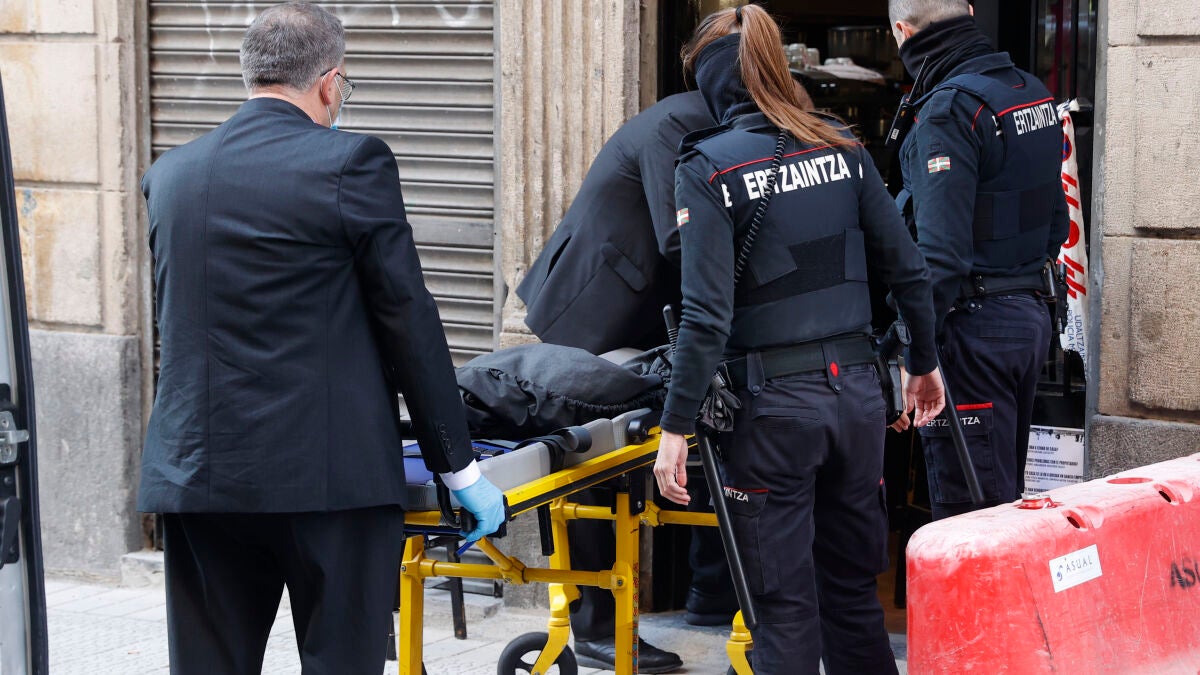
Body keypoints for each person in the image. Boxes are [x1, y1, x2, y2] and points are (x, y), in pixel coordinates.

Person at [138, 4, 505, 673]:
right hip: (331, 482)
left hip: (200, 475)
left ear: (250, 74)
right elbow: (407, 319)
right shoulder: (351, 161)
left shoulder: (170, 174)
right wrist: (459, 467)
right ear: (331, 84)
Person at [651, 6, 945, 675]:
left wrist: (675, 427)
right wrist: (922, 362)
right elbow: (909, 270)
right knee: (852, 597)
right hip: (858, 403)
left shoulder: (707, 165)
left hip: (774, 413)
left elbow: (705, 315)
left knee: (783, 610)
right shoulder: (841, 146)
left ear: (714, 81)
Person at [516, 91, 722, 674]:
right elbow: (678, 235)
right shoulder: (677, 124)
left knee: (634, 461)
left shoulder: (702, 123)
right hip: (589, 311)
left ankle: (706, 595)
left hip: (628, 312)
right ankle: (596, 630)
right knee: (590, 470)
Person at [888, 0, 1068, 519]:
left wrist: (916, 354)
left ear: (903, 32)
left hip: (973, 330)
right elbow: (1056, 221)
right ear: (967, 11)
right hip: (1029, 317)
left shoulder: (948, 110)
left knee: (974, 520)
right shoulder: (1031, 92)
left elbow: (941, 258)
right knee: (1002, 506)